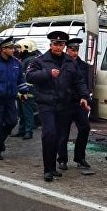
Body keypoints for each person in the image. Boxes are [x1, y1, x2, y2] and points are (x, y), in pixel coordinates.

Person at [26, 31, 90, 182]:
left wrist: (84, 97)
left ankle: (53, 168)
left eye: (61, 44)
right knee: (49, 134)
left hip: (64, 105)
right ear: (50, 45)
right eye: (55, 44)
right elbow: (29, 76)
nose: (58, 47)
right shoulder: (40, 60)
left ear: (64, 46)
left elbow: (79, 81)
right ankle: (47, 170)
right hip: (46, 104)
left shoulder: (70, 62)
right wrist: (48, 73)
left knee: (59, 137)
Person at [56, 37, 92, 170]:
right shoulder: (61, 63)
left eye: (77, 50)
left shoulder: (83, 66)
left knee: (85, 128)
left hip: (79, 103)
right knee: (63, 132)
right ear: (67, 49)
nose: (75, 53)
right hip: (65, 103)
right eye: (72, 50)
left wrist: (87, 99)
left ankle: (80, 157)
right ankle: (62, 159)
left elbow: (86, 84)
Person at [11, 39, 41, 140]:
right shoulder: (25, 60)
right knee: (21, 112)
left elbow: (27, 77)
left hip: (28, 91)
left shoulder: (30, 60)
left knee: (27, 112)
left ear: (26, 48)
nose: (17, 51)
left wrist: (25, 91)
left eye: (20, 48)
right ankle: (21, 130)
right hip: (21, 90)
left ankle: (28, 132)